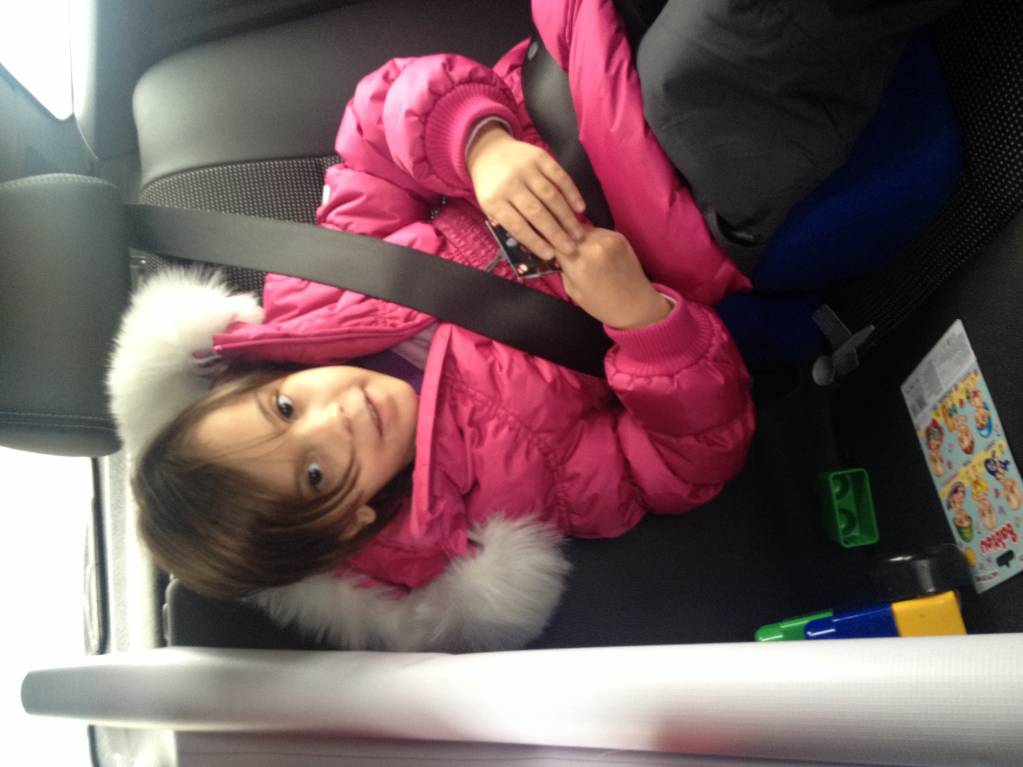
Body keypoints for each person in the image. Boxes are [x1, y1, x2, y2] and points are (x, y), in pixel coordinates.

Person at [107, 0, 754, 652]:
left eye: (283, 407)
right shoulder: (507, 496)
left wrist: (478, 145)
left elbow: (377, 125)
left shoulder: (323, 288)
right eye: (315, 474)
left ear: (259, 379)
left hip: (564, 97)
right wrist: (642, 321)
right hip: (687, 223)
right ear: (349, 524)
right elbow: (683, 460)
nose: (333, 419)